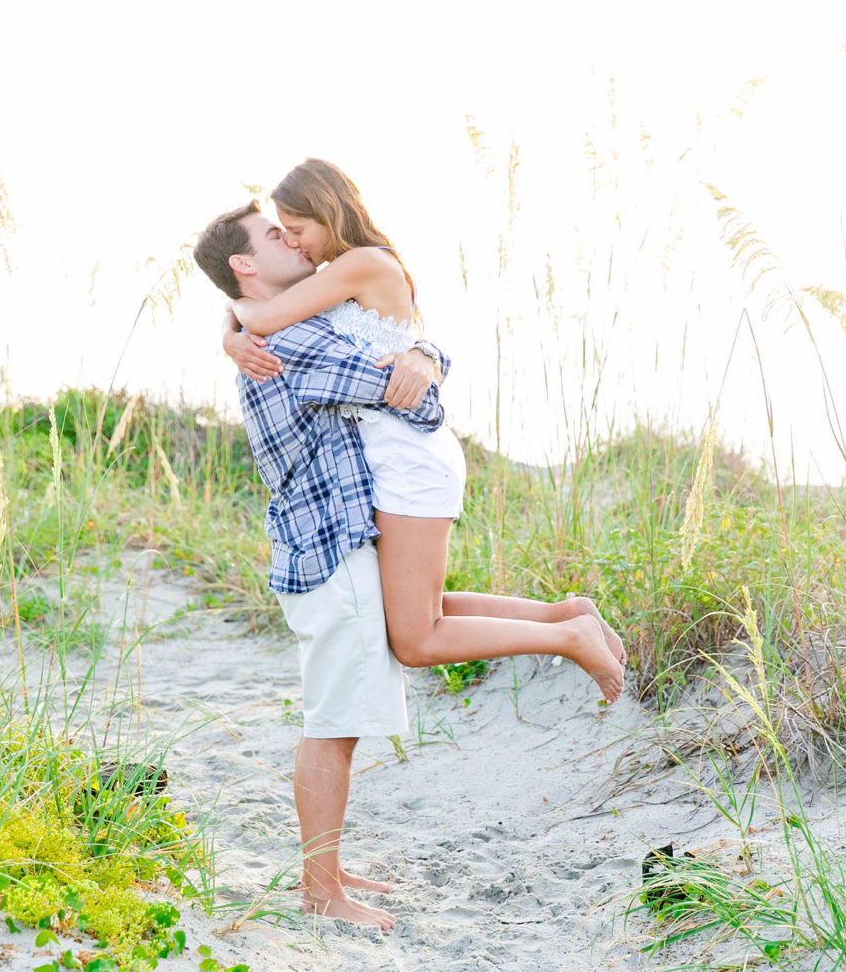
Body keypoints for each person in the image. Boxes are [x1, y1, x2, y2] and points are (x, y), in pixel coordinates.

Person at [219, 159, 627, 701]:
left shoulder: (359, 264)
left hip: (406, 454)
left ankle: (570, 637)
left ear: (328, 212)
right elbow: (271, 310)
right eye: (284, 234)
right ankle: (565, 615)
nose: (296, 245)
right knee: (416, 612)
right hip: (398, 453)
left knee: (415, 640)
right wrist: (230, 325)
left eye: (298, 230)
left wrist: (231, 323)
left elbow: (265, 317)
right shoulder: (347, 271)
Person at [194, 201, 444, 931]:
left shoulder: (277, 328)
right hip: (329, 548)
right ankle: (320, 890)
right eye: (272, 235)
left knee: (335, 718)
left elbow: (404, 362)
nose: (288, 236)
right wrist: (424, 365)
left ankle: (325, 868)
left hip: (326, 545)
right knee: (331, 724)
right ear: (245, 266)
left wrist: (422, 355)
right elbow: (414, 401)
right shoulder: (290, 343)